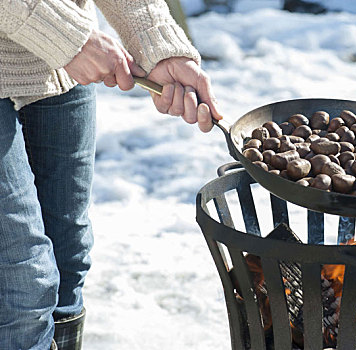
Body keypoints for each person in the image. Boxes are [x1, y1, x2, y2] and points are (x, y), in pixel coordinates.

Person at [0, 0, 222, 349]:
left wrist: (159, 45)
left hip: (61, 63)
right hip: (66, 40)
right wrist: (66, 35)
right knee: (23, 282)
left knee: (68, 257)